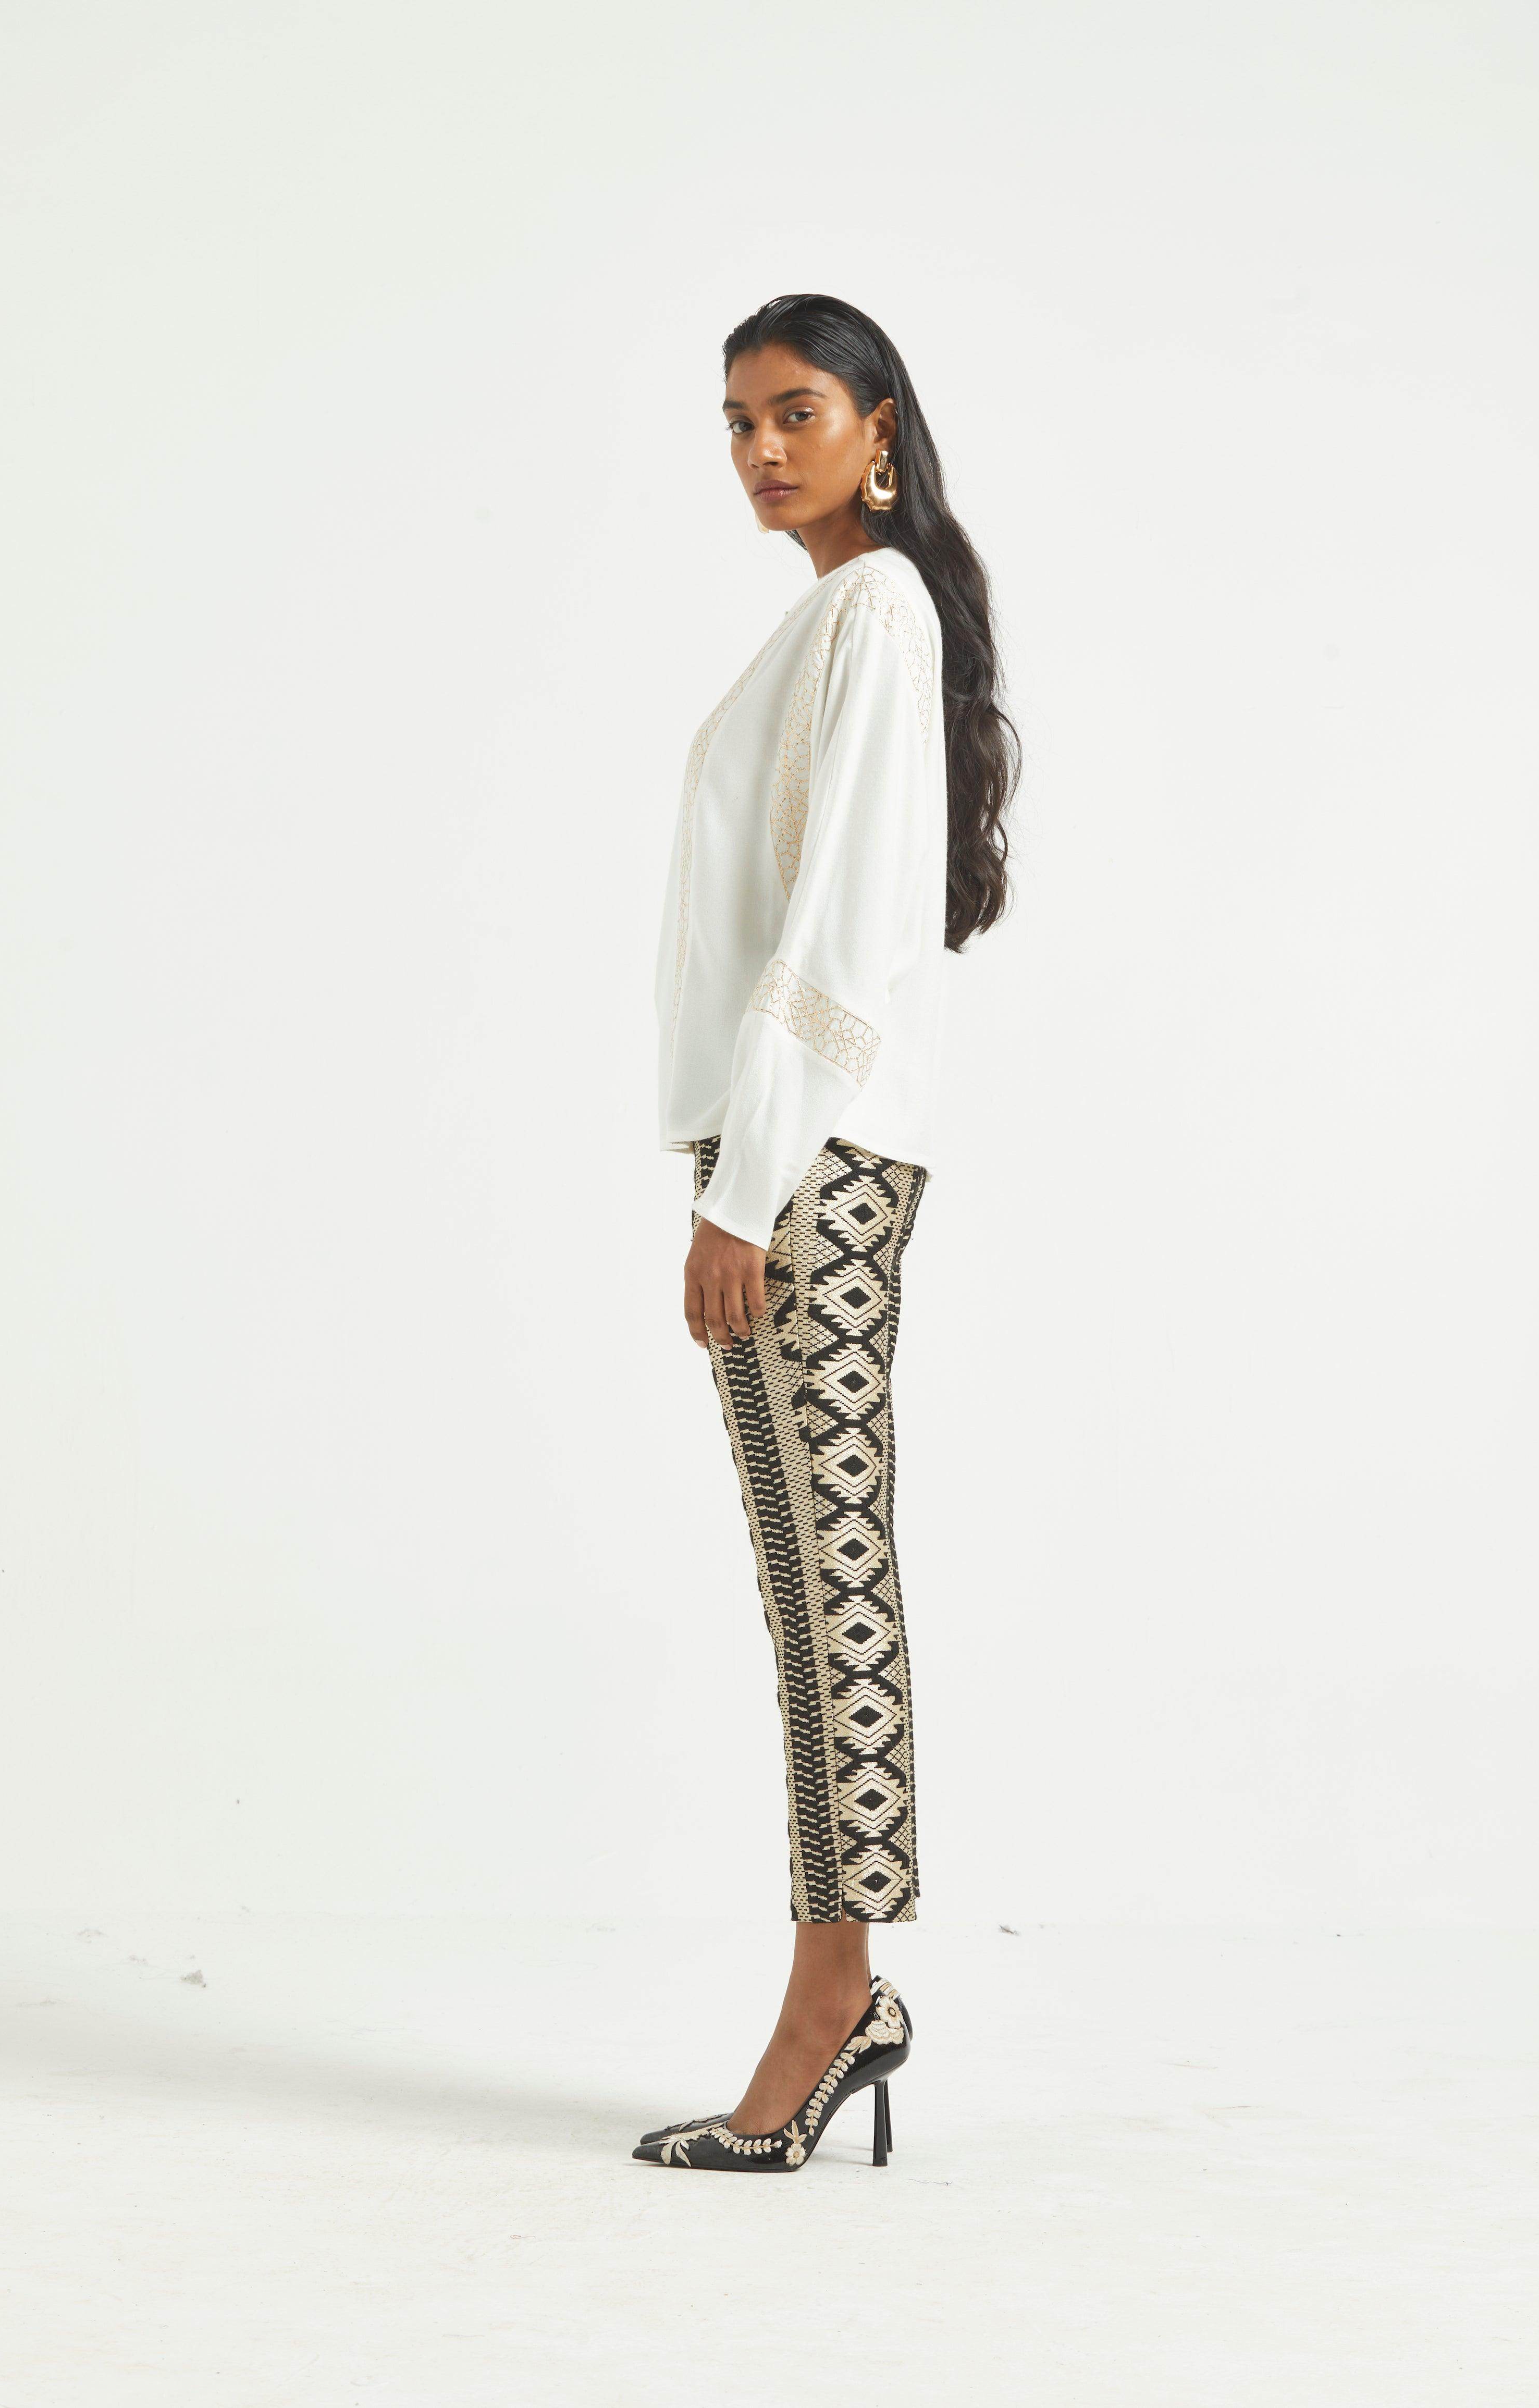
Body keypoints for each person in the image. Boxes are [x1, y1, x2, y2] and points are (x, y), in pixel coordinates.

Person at [635, 293, 1019, 2173]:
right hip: (796, 1148)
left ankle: (834, 1996)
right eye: (736, 421)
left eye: (796, 412)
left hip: (808, 1161)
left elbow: (841, 938)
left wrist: (741, 1192)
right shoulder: (842, 615)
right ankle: (836, 1986)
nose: (761, 449)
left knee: (828, 1578)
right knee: (816, 1577)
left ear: (879, 429)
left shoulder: (877, 610)